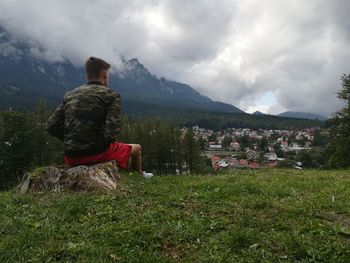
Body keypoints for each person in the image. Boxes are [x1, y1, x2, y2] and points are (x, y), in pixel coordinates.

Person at [46, 56, 153, 178]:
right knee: (137, 148)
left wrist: (72, 138)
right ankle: (139, 177)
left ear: (87, 75)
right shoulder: (111, 95)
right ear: (105, 75)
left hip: (71, 156)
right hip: (97, 153)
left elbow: (51, 125)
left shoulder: (70, 95)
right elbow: (111, 135)